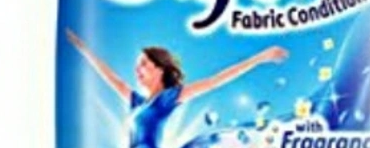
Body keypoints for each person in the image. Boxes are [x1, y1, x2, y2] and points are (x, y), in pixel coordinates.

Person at [66, 30, 288, 148]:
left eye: (144, 64)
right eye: (137, 65)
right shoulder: (137, 103)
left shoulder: (167, 99)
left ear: (160, 69)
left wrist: (260, 58)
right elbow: (112, 78)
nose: (137, 69)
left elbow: (215, 81)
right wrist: (81, 47)